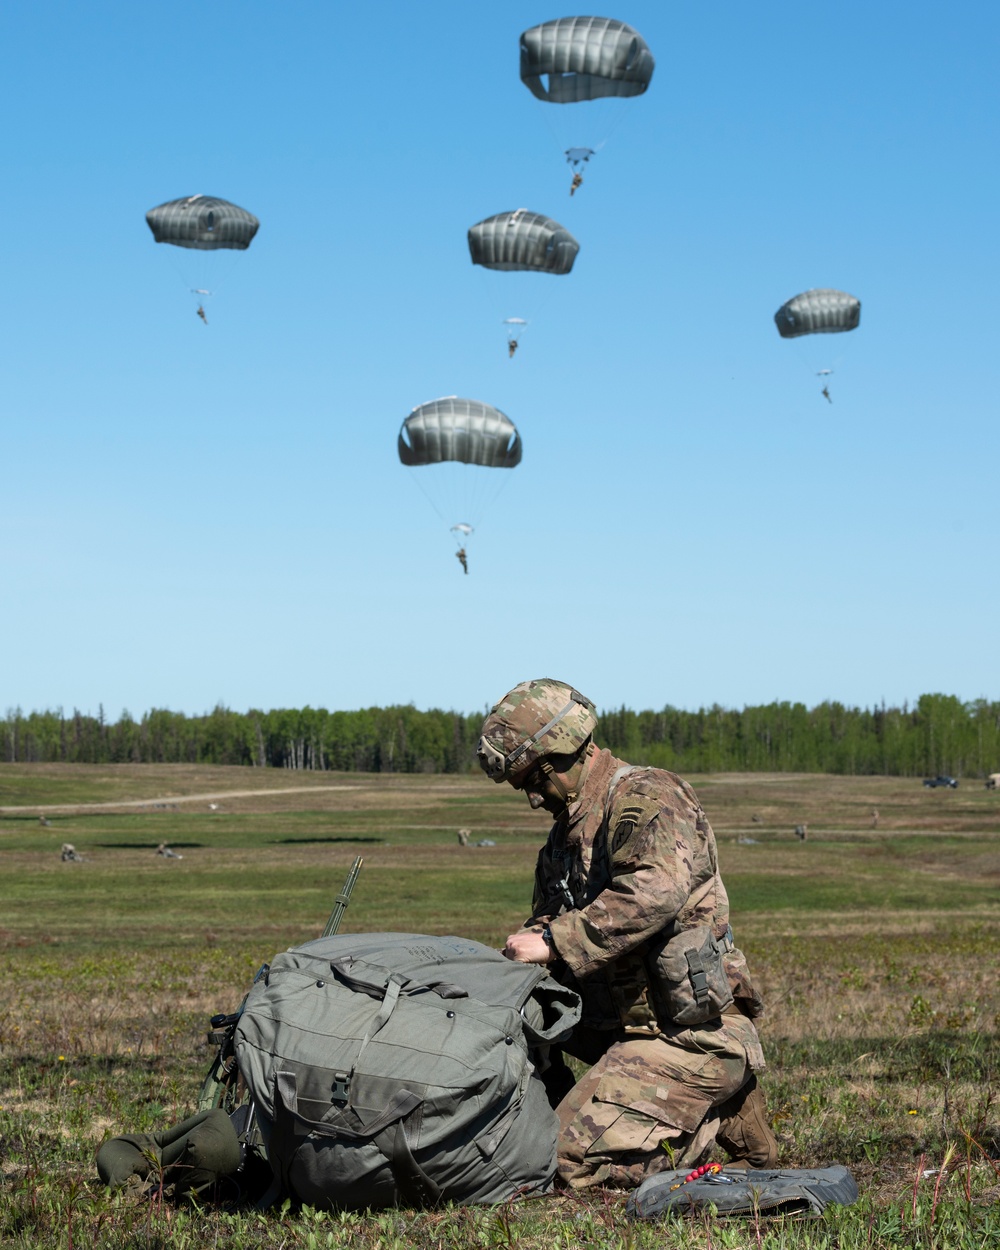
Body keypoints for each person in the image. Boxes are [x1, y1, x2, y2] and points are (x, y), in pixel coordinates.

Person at [477, 679, 777, 1191]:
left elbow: (654, 891)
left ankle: (704, 1123)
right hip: (623, 1029)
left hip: (689, 1035)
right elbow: (544, 923)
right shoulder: (563, 841)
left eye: (533, 780)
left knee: (559, 1162)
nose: (531, 798)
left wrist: (553, 941)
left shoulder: (647, 795)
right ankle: (635, 1107)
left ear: (562, 755)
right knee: (520, 1020)